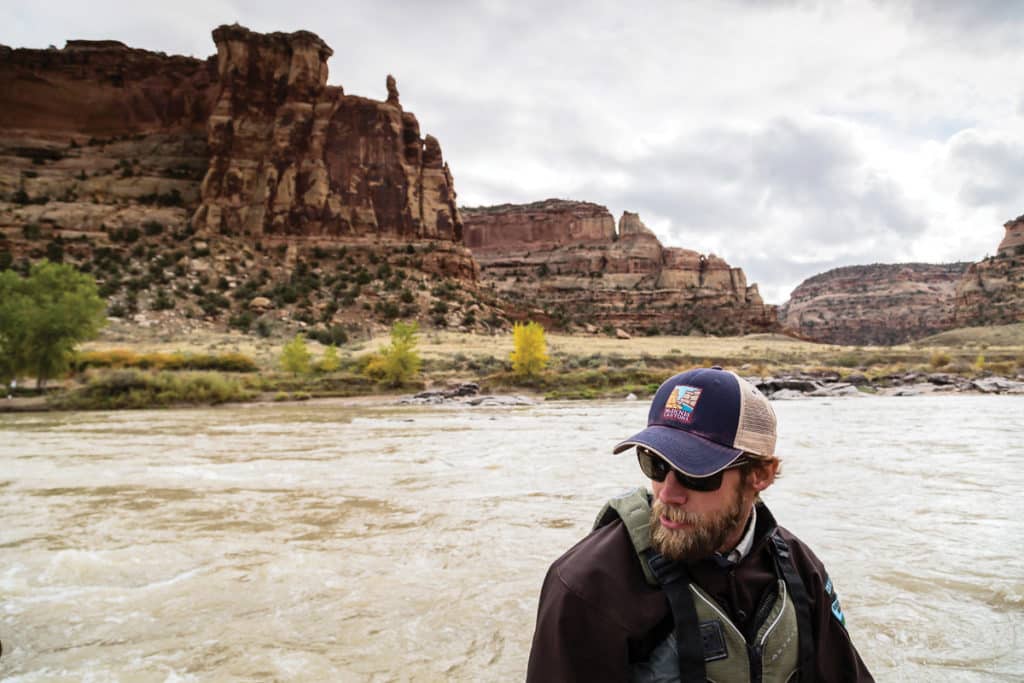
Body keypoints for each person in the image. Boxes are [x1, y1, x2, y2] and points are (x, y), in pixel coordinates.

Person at [526, 366, 874, 682]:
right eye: (656, 465)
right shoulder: (587, 587)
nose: (669, 493)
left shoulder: (799, 570)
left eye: (697, 472)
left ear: (760, 475)